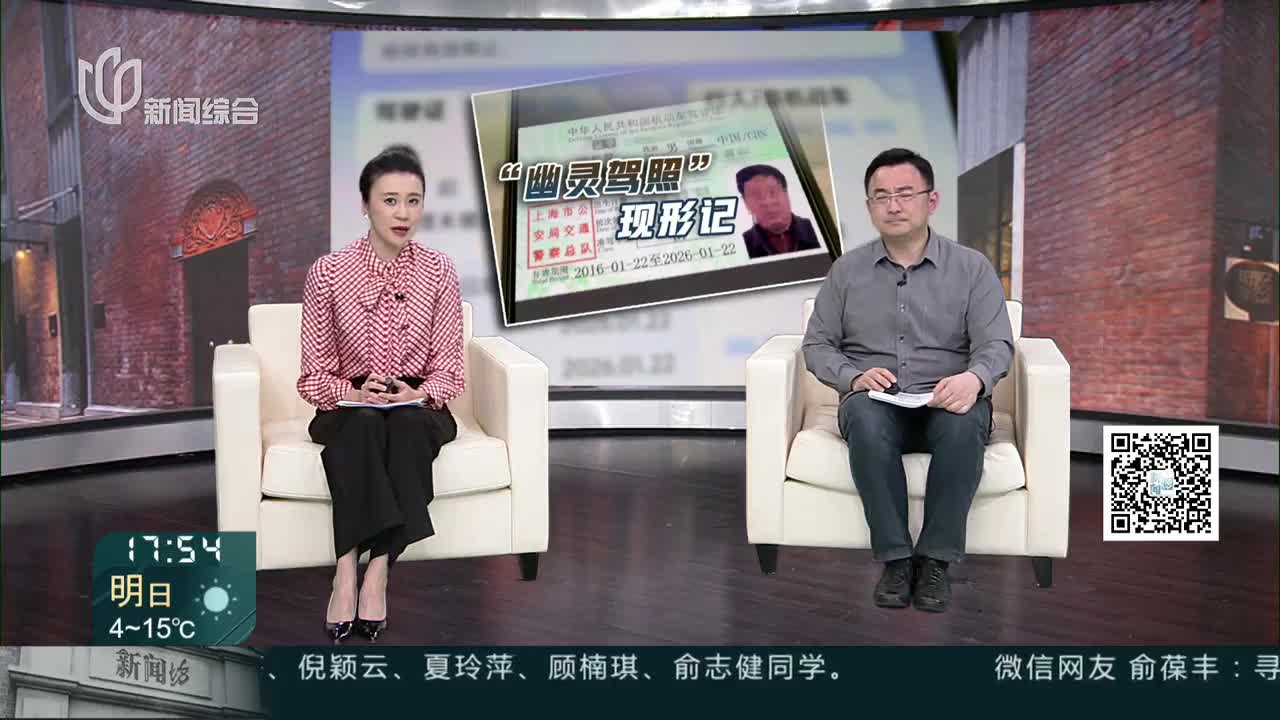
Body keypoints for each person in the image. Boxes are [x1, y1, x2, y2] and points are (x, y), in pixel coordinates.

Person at [801, 148, 1013, 613]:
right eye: (881, 196)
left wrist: (974, 379)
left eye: (904, 194)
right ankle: (896, 560)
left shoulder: (972, 268)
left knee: (964, 425)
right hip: (876, 400)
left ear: (931, 200)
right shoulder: (846, 272)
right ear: (869, 207)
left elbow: (997, 344)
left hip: (947, 398)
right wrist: (853, 377)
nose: (893, 205)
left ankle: (935, 561)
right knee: (863, 415)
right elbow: (816, 345)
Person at [298, 144, 465, 641]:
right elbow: (311, 377)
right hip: (348, 402)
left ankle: (376, 570)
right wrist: (354, 393)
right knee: (365, 424)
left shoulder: (439, 270)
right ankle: (345, 569)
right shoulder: (328, 272)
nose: (403, 214)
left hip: (417, 402)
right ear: (365, 204)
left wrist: (416, 393)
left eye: (414, 201)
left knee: (407, 425)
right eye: (390, 200)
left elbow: (451, 372)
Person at [735, 164, 821, 259]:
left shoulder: (817, 227)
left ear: (786, 194)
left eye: (773, 192)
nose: (767, 202)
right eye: (756, 195)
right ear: (746, 203)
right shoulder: (742, 244)